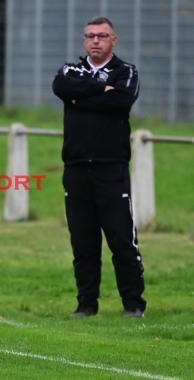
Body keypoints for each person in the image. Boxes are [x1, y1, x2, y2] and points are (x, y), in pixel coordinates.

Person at [52, 16, 146, 318]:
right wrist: (100, 88)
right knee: (83, 241)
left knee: (121, 239)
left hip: (111, 169)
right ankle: (86, 305)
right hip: (76, 168)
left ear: (113, 40)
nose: (95, 41)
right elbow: (61, 87)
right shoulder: (71, 70)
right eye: (90, 36)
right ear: (84, 40)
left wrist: (81, 96)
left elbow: (120, 103)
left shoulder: (125, 72)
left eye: (102, 36)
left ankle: (133, 304)